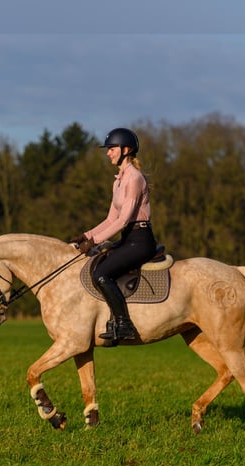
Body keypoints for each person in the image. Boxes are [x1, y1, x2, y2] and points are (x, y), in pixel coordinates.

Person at [70, 127, 156, 344]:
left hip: (140, 240)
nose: (108, 153)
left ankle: (123, 324)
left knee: (101, 273)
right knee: (97, 264)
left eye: (111, 149)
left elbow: (123, 220)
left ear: (126, 150)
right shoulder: (118, 181)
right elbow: (110, 219)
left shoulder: (134, 179)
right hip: (128, 239)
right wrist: (85, 235)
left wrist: (94, 241)